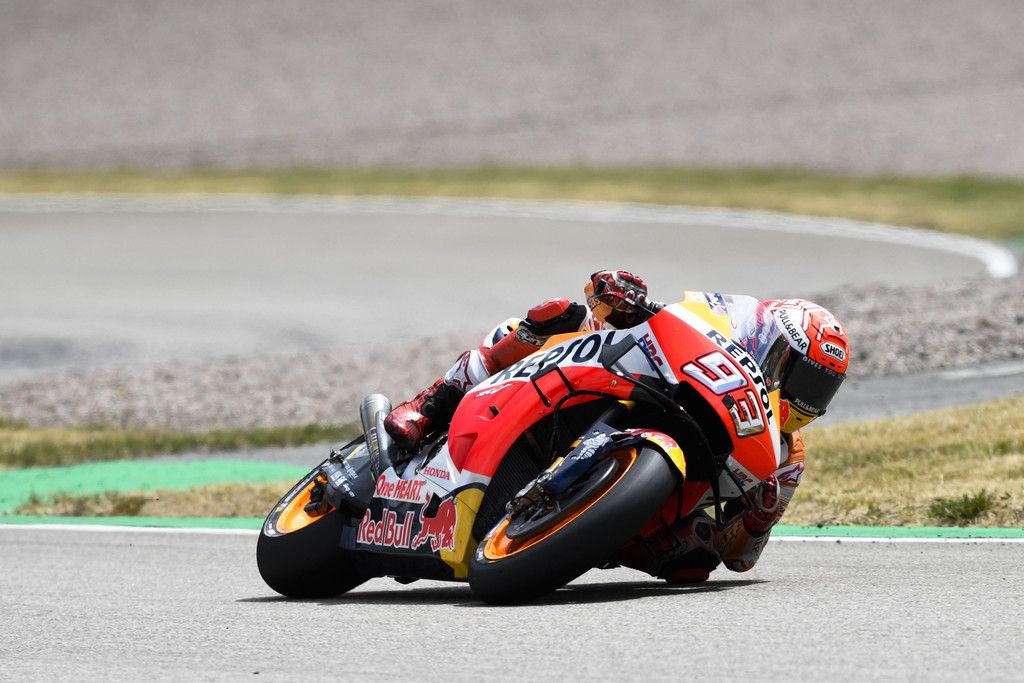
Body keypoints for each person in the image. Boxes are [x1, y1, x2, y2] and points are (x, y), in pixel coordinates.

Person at [384, 271, 850, 583]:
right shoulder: (725, 323)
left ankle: (585, 528)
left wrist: (758, 520)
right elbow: (653, 316)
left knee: (696, 563)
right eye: (805, 379)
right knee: (558, 316)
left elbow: (740, 558)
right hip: (633, 385)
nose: (808, 399)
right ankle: (433, 402)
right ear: (773, 348)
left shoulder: (786, 458)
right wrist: (623, 295)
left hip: (652, 516)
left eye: (822, 389)